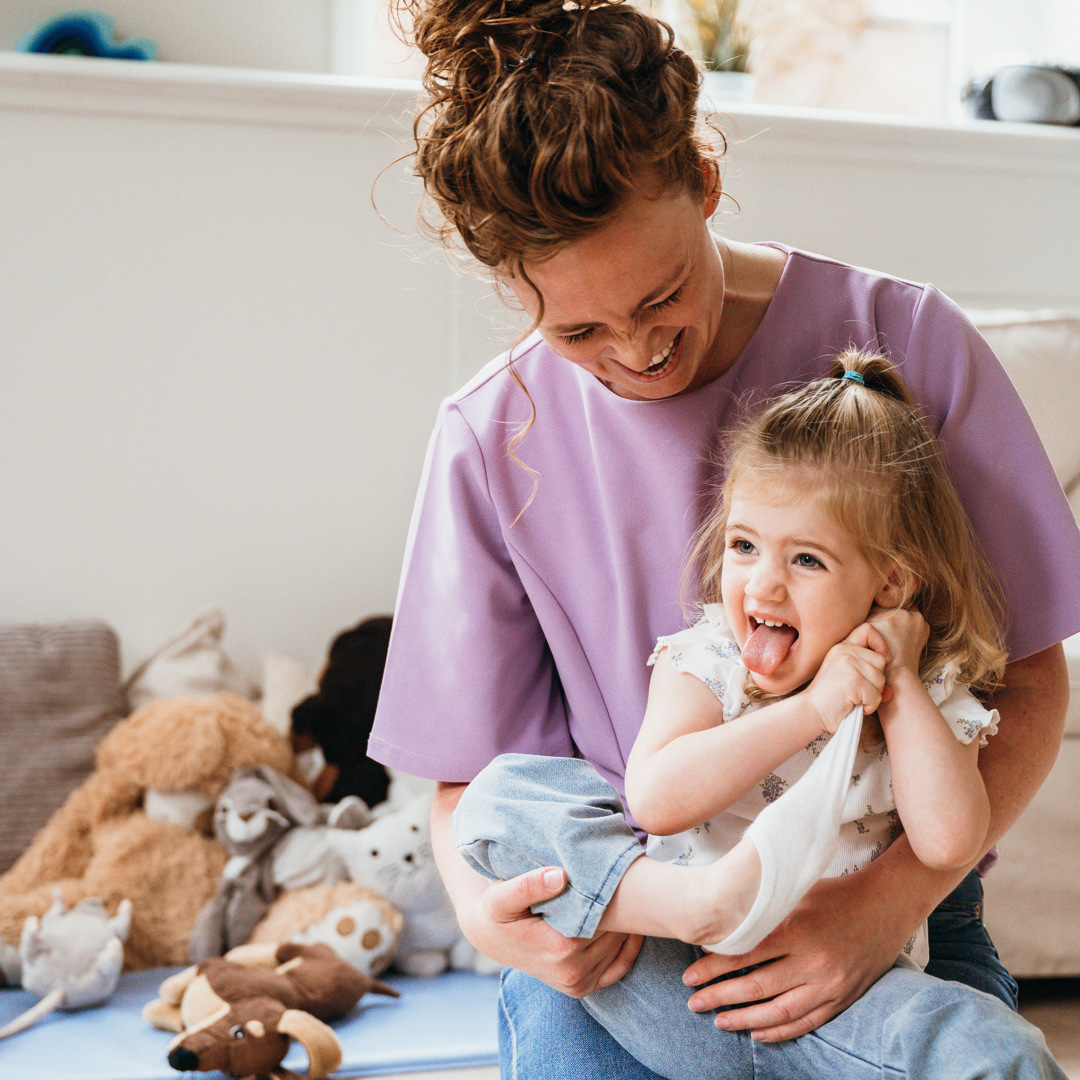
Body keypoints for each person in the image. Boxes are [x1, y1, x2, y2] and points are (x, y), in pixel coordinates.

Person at [367, 0, 1080, 1074]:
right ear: (510, 286)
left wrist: (881, 905)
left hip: (887, 910)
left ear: (702, 179)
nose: (638, 353)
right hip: (629, 931)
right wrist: (483, 912)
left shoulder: (905, 340)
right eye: (577, 331)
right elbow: (476, 784)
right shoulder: (487, 438)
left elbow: (1028, 679)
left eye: (662, 296)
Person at [449, 352, 1063, 1078]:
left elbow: (952, 838)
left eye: (806, 560)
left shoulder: (927, 689)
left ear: (890, 583)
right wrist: (809, 710)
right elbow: (657, 798)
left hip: (846, 1008)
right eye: (744, 546)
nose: (763, 583)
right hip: (679, 979)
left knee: (1002, 1052)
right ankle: (696, 899)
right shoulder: (710, 659)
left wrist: (897, 684)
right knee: (500, 794)